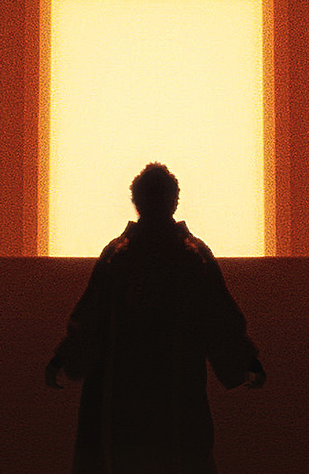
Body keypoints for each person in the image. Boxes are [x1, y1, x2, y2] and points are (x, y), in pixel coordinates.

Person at [46, 162, 266, 474]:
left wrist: (64, 357)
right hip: (174, 395)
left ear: (137, 202)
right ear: (174, 201)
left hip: (125, 396)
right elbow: (220, 318)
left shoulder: (119, 256)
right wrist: (246, 360)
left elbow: (90, 317)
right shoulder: (191, 256)